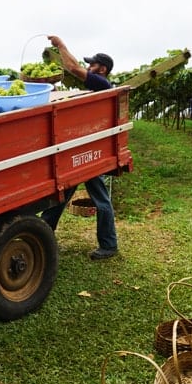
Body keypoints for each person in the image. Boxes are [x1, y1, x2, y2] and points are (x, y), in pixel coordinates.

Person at [40, 35, 119, 260]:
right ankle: (44, 234)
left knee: (101, 199)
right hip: (85, 149)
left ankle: (109, 245)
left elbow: (73, 68)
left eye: (92, 64)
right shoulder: (99, 85)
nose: (88, 67)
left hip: (91, 152)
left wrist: (61, 45)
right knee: (63, 192)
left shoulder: (101, 83)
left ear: (102, 69)